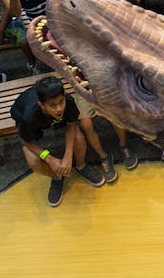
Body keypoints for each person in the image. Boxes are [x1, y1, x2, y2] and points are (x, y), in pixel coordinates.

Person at [12, 75, 107, 206]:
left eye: (61, 102)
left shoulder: (68, 102)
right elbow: (27, 142)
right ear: (42, 105)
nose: (59, 108)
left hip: (53, 120)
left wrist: (68, 157)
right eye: (52, 105)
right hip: (31, 123)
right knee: (33, 161)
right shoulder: (29, 116)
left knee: (78, 138)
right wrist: (49, 159)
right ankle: (56, 177)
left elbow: (71, 126)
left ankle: (81, 166)